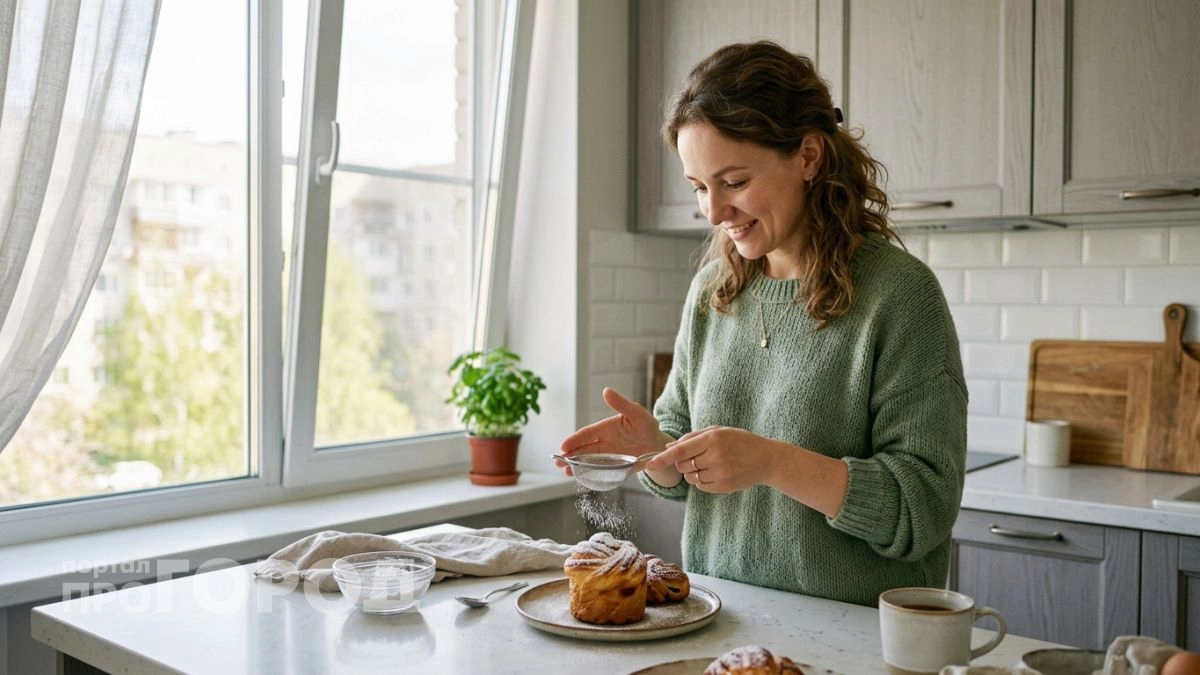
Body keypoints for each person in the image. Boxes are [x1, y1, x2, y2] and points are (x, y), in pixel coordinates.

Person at [558, 40, 967, 608]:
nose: (713, 211)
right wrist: (656, 448)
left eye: (734, 181)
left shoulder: (900, 295)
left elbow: (924, 508)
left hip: (852, 635)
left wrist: (773, 462)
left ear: (808, 156)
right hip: (721, 618)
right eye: (699, 187)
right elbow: (679, 478)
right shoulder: (712, 292)